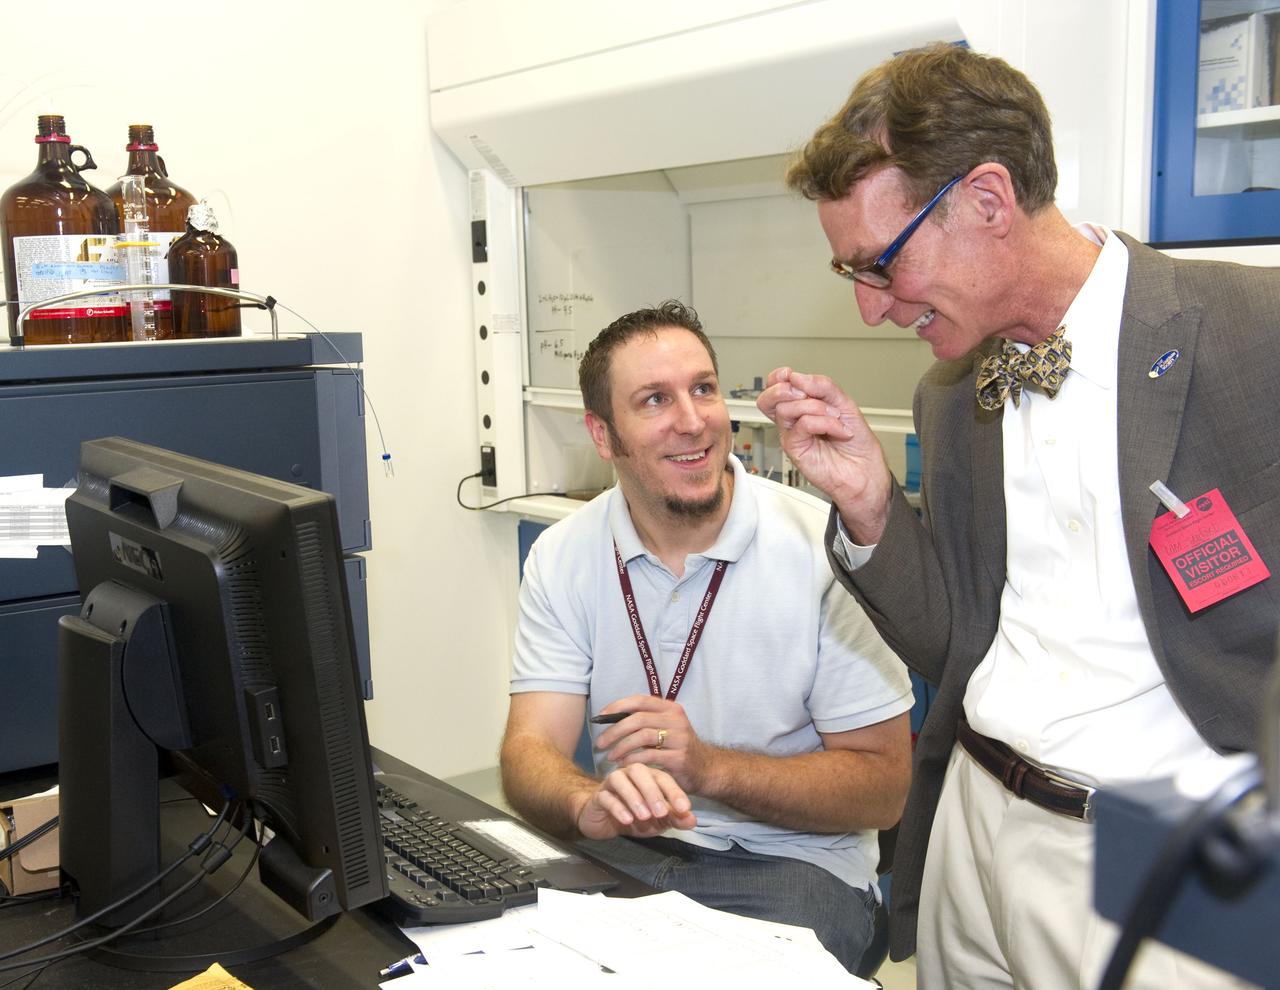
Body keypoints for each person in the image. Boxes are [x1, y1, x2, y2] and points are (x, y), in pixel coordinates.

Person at [757, 42, 1280, 989]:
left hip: (1165, 853)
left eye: (881, 264)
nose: (872, 310)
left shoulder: (1258, 333)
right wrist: (870, 505)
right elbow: (957, 642)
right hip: (974, 818)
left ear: (989, 200)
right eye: (851, 275)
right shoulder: (951, 397)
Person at [499, 300, 914, 973]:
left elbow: (884, 788)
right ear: (603, 434)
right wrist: (586, 803)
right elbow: (529, 751)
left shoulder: (823, 550)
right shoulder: (563, 553)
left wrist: (710, 769)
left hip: (793, 866)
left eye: (703, 389)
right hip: (626, 852)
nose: (692, 422)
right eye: (655, 400)